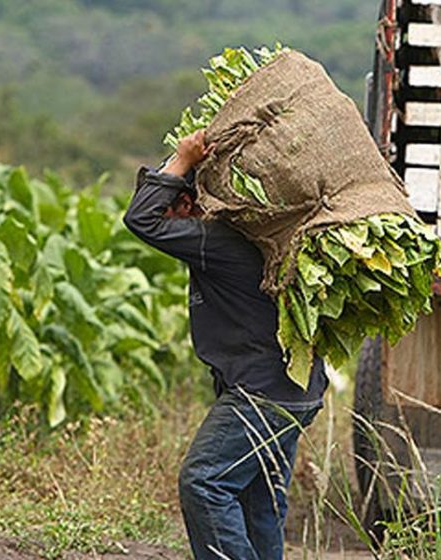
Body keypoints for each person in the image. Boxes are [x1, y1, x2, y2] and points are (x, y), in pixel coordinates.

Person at [123, 131, 328, 559]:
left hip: (264, 391)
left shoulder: (214, 239)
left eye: (173, 204)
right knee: (260, 506)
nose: (170, 216)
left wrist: (182, 159)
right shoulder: (234, 239)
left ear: (192, 202)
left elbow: (141, 220)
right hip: (293, 389)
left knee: (204, 483)